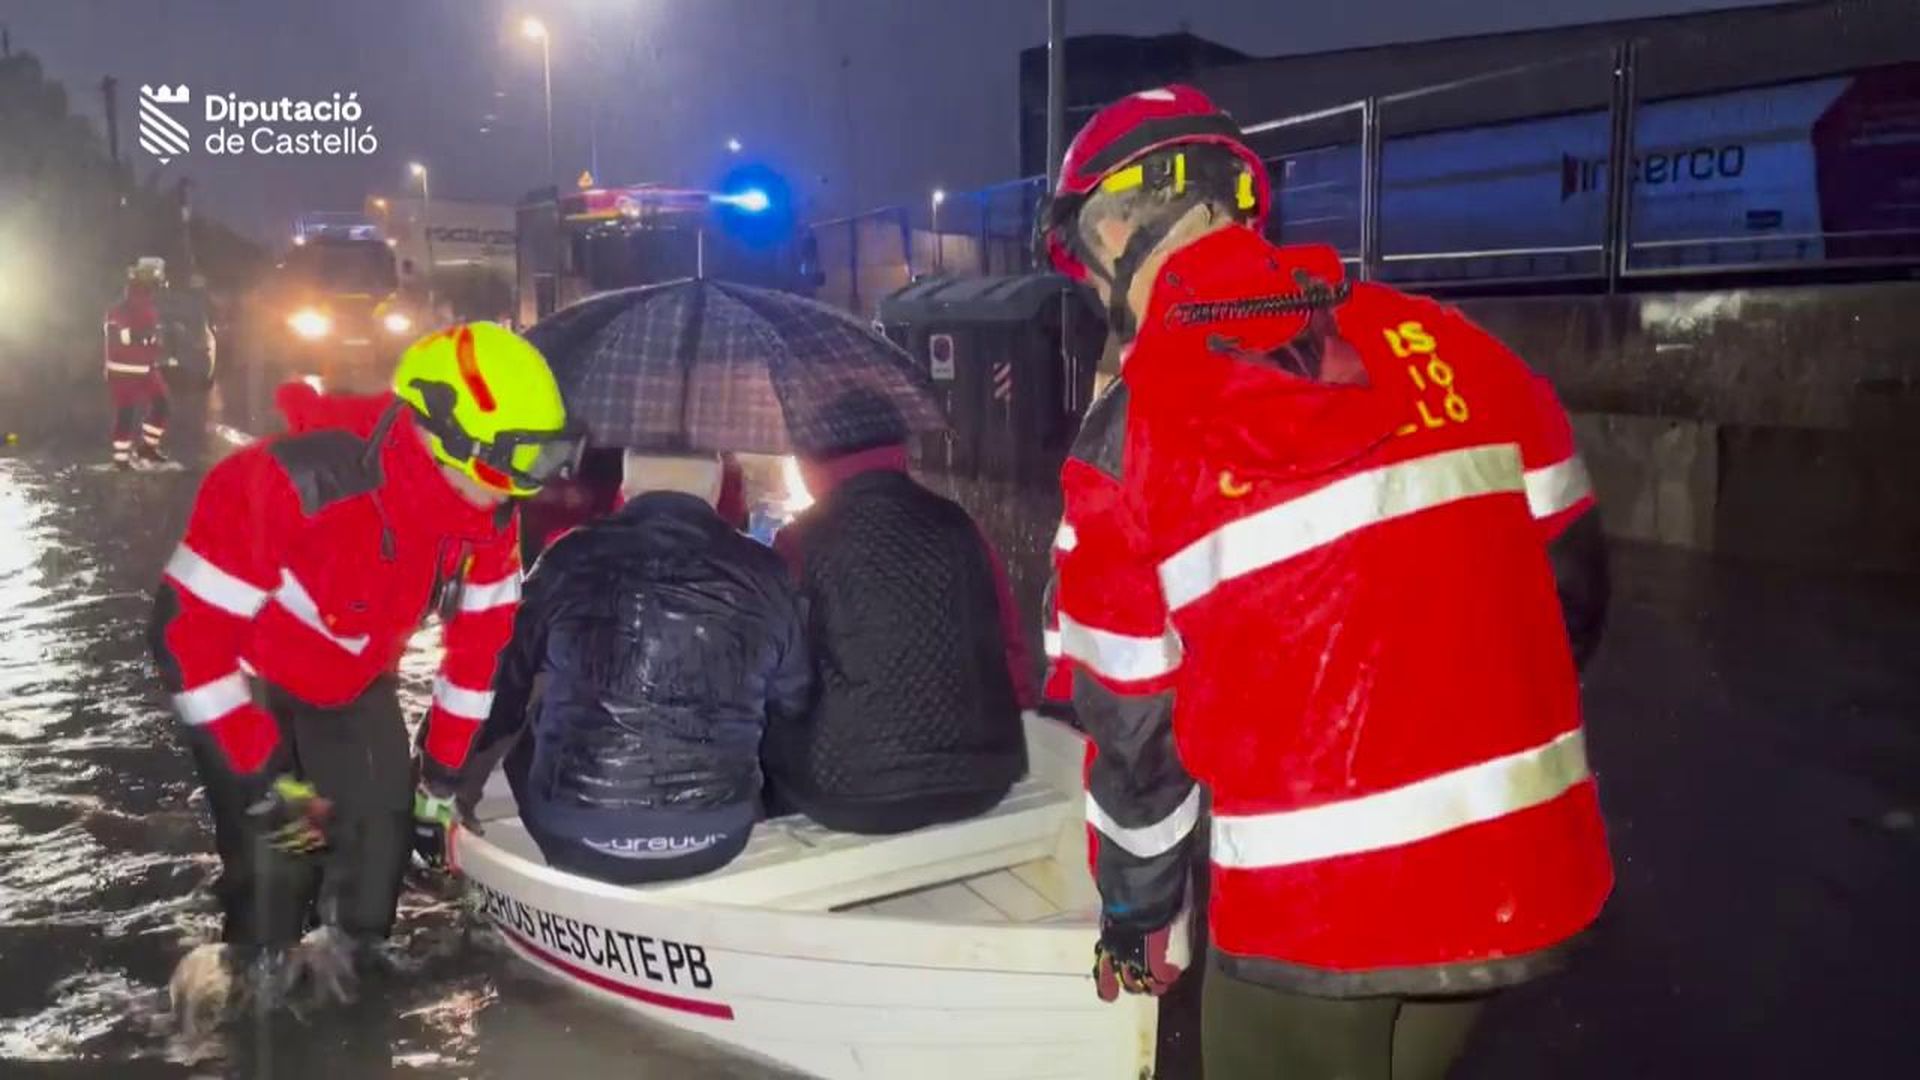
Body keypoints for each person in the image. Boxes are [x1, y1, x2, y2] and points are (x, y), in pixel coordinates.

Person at [1035, 86, 1613, 1079]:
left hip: (1310, 916)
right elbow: (1573, 586)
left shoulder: (1128, 440)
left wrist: (1138, 917)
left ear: (1119, 225)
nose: (1097, 294)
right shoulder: (1453, 344)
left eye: (1090, 271)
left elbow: (1134, 731)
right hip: (1516, 879)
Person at [148, 323, 579, 985]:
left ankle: (357, 1009)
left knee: (382, 849)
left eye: (539, 467)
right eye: (509, 464)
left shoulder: (487, 517)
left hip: (354, 680)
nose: (518, 490)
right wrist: (262, 775)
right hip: (246, 680)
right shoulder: (282, 480)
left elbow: (478, 653)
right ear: (442, 434)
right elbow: (184, 636)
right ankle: (250, 991)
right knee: (278, 873)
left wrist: (440, 778)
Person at [455, 450, 811, 884]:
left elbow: (503, 681)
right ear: (716, 493)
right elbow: (795, 697)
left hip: (575, 836)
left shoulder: (569, 556)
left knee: (529, 711)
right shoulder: (766, 570)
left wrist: (453, 771)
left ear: (625, 489)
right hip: (717, 836)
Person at [766, 437, 1036, 835]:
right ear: (896, 447)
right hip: (980, 780)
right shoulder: (956, 522)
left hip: (848, 794)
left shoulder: (799, 541)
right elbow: (1010, 644)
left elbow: (782, 671)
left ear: (813, 465)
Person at [104, 257, 173, 468]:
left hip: (145, 366)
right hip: (124, 368)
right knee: (126, 412)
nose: (160, 280)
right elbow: (124, 332)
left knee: (161, 403)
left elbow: (149, 331)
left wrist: (158, 345)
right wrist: (148, 337)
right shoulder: (125, 305)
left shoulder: (145, 301)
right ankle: (121, 458)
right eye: (157, 276)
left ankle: (147, 448)